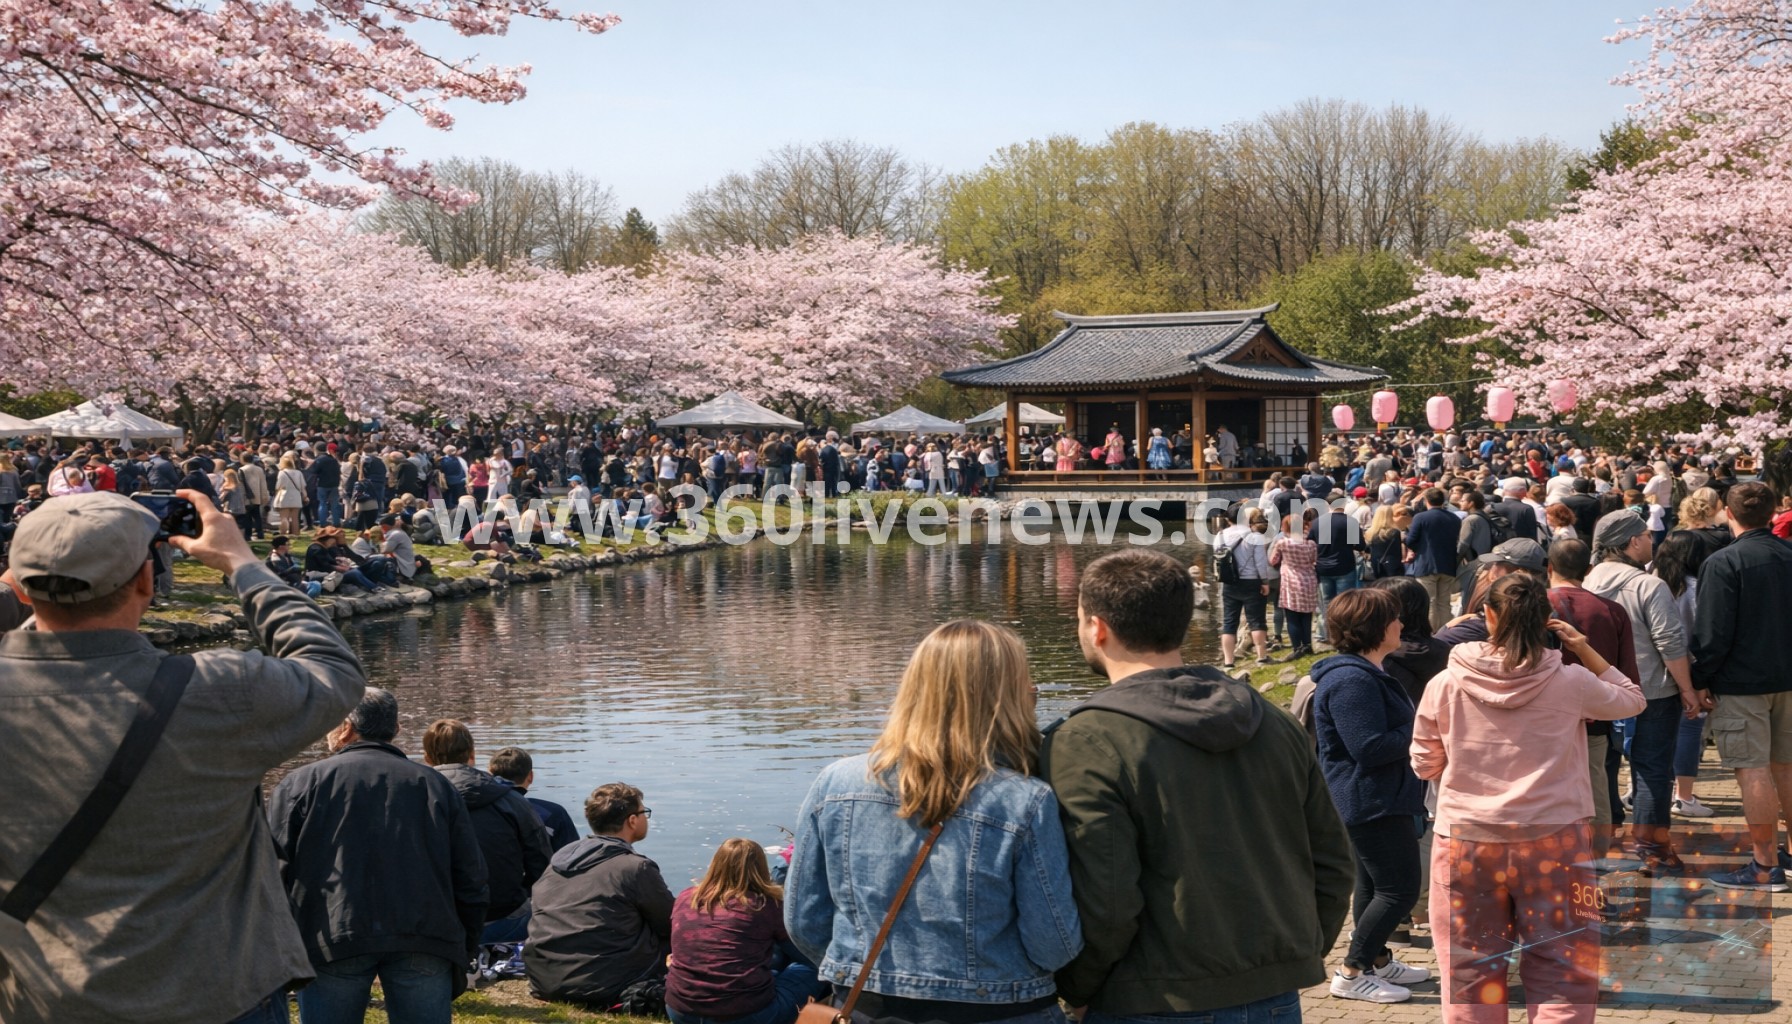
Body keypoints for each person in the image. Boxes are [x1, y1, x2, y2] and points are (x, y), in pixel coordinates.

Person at [0, 490, 366, 1024]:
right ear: (147, 580)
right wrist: (241, 563)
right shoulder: (218, 690)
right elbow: (332, 669)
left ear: (22, 589)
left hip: (40, 998)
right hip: (212, 992)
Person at [1041, 550, 1351, 1020]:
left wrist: (1077, 989)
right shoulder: (1273, 721)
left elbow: (1106, 900)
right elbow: (1332, 862)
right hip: (1273, 993)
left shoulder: (1086, 740)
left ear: (1097, 627)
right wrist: (1296, 953)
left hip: (1149, 998)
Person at [787, 620, 1081, 1023]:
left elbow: (804, 922)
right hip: (1003, 1009)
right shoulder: (1025, 801)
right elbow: (1052, 945)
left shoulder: (835, 785)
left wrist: (863, 969)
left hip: (869, 1009)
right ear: (1007, 698)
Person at [1411, 573, 1646, 1023]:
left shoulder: (1446, 682)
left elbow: (1424, 763)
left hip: (1465, 839)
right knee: (1564, 971)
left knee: (1470, 973)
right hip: (1555, 838)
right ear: (1547, 620)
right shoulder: (1572, 680)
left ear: (1488, 616)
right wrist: (1583, 648)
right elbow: (1632, 700)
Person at [268, 690, 490, 1024]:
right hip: (425, 934)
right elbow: (470, 877)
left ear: (345, 727)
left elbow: (272, 873)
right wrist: (465, 945)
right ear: (397, 728)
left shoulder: (301, 784)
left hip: (332, 936)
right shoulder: (434, 785)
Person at [1310, 589, 1430, 1003]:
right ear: (1375, 628)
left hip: (1378, 795)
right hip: (1370, 799)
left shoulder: (1367, 671)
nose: (1400, 624)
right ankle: (1350, 971)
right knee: (1399, 889)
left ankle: (1377, 959)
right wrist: (1422, 728)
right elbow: (1369, 746)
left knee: (1372, 886)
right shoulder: (1351, 680)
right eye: (1393, 619)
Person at [1584, 508, 1701, 874]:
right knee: (1651, 771)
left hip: (1596, 692)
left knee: (1602, 766)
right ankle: (1651, 850)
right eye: (1648, 536)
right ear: (1633, 541)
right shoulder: (1649, 585)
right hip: (1650, 691)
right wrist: (1687, 688)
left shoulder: (1587, 582)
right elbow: (1670, 640)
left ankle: (1604, 838)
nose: (1653, 540)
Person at [1691, 482, 1792, 890]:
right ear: (1772, 513)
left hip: (1741, 682)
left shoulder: (1723, 562)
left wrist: (1700, 679)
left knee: (1752, 771)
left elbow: (1712, 633)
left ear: (1727, 514)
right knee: (1785, 767)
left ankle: (1765, 866)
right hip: (1787, 678)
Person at [526, 782, 676, 1008]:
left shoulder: (560, 860)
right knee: (683, 930)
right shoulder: (634, 868)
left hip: (545, 978)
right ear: (632, 820)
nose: (645, 817)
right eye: (644, 812)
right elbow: (671, 922)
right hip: (602, 985)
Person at [666, 839, 826, 1024]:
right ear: (760, 869)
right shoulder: (764, 905)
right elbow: (806, 955)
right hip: (744, 1016)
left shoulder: (687, 898)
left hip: (680, 1011)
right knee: (817, 967)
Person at [422, 720, 552, 946]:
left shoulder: (411, 799)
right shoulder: (511, 800)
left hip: (434, 923)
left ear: (427, 758)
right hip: (505, 918)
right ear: (472, 755)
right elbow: (541, 864)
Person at [489, 747, 583, 854]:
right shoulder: (553, 814)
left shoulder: (474, 808)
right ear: (530, 776)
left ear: (490, 774)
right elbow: (573, 858)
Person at [1215, 506, 1273, 668]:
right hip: (1252, 581)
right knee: (1257, 620)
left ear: (1227, 519)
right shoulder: (1254, 537)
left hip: (1229, 583)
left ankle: (1228, 661)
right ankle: (1262, 657)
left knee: (1229, 622)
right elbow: (1260, 563)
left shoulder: (1219, 536)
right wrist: (1265, 582)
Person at [1405, 487, 1461, 630]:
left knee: (1429, 602)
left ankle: (1431, 633)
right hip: (1448, 564)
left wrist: (1417, 549)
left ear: (1426, 500)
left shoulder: (1420, 517)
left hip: (1426, 564)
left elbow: (1410, 540)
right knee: (1444, 602)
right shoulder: (1454, 518)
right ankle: (1445, 632)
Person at [1269, 511, 1318, 659]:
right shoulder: (1311, 543)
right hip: (1308, 580)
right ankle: (1308, 645)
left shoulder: (1283, 543)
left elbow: (1273, 560)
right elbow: (1314, 560)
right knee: (1306, 616)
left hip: (1290, 580)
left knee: (1292, 616)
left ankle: (1297, 647)